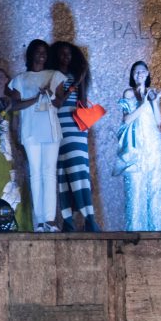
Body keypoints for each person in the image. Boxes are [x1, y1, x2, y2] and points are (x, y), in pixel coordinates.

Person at [8, 40, 67, 233]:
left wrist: (49, 95)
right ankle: (39, 221)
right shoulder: (20, 79)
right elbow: (15, 105)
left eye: (44, 52)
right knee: (35, 173)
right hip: (31, 130)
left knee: (49, 173)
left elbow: (59, 103)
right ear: (31, 54)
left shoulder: (55, 76)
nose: (41, 55)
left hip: (50, 130)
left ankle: (49, 219)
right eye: (38, 52)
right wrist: (35, 98)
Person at [47, 41, 100, 232]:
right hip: (60, 124)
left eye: (68, 54)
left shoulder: (75, 76)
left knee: (80, 171)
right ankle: (69, 220)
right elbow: (57, 104)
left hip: (77, 126)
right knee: (64, 172)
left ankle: (88, 218)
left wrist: (81, 80)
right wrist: (74, 84)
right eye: (62, 54)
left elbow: (83, 102)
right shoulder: (54, 76)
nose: (65, 57)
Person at [116, 61, 161, 231]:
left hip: (153, 145)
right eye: (135, 71)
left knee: (156, 186)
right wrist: (145, 103)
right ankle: (136, 230)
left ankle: (159, 229)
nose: (139, 74)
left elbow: (158, 121)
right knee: (136, 188)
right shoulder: (128, 93)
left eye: (142, 71)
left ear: (147, 73)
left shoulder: (152, 93)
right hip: (135, 146)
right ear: (132, 75)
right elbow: (126, 119)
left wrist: (155, 101)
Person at [0, 68, 31, 231]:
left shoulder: (11, 101)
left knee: (14, 184)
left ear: (7, 79)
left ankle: (16, 223)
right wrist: (6, 109)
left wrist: (18, 148)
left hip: (10, 146)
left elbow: (15, 128)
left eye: (1, 77)